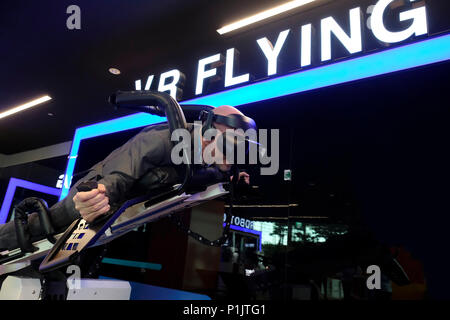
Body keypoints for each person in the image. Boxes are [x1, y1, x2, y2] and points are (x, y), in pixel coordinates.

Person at [0, 105, 251, 251]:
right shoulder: (161, 139)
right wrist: (99, 194)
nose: (235, 154)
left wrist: (235, 177)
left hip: (122, 207)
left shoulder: (209, 159)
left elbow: (218, 173)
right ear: (208, 132)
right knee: (46, 225)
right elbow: (121, 173)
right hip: (98, 185)